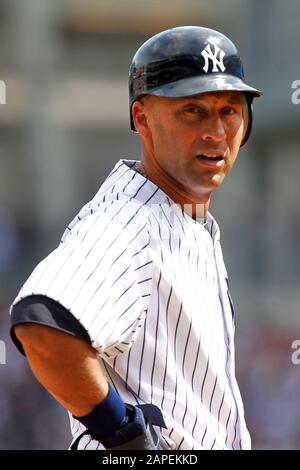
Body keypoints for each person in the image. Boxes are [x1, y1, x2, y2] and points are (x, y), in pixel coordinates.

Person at [10, 26, 262, 450]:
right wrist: (125, 436)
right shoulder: (131, 224)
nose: (216, 131)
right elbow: (44, 326)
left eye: (229, 110)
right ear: (142, 118)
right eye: (193, 111)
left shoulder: (186, 219)